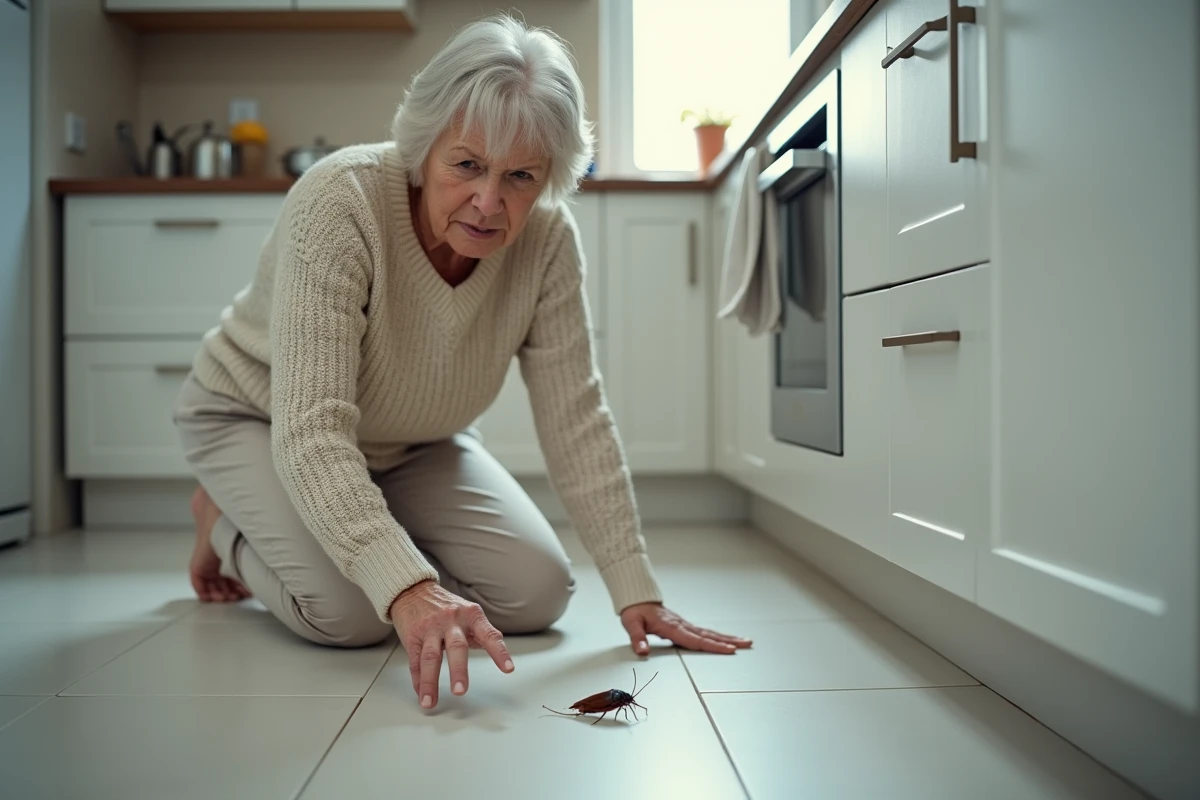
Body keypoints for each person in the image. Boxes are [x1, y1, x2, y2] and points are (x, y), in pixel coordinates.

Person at [172, 13, 751, 710]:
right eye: (468, 165)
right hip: (260, 420)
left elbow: (577, 417)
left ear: (551, 178)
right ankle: (223, 520)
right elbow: (313, 431)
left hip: (415, 442)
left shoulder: (547, 243)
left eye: (520, 176)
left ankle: (358, 530)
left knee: (537, 594)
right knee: (354, 613)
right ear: (425, 147)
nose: (488, 201)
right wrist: (408, 588)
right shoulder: (340, 201)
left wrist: (635, 586)